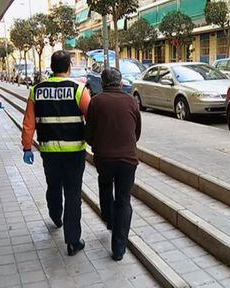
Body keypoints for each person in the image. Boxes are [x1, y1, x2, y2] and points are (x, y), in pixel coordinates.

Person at [21, 50, 91, 256]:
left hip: (49, 152)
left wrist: (27, 147)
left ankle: (55, 216)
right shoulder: (79, 89)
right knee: (73, 193)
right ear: (69, 66)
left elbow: (28, 122)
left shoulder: (37, 90)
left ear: (52, 67)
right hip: (74, 152)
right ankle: (72, 241)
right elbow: (92, 116)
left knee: (53, 186)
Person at [85, 68, 141, 261]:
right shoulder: (131, 101)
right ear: (120, 82)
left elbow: (89, 133)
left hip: (105, 159)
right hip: (128, 159)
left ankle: (108, 219)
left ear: (102, 83)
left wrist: (99, 146)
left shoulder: (96, 102)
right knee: (124, 200)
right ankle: (118, 248)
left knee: (105, 186)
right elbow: (137, 132)